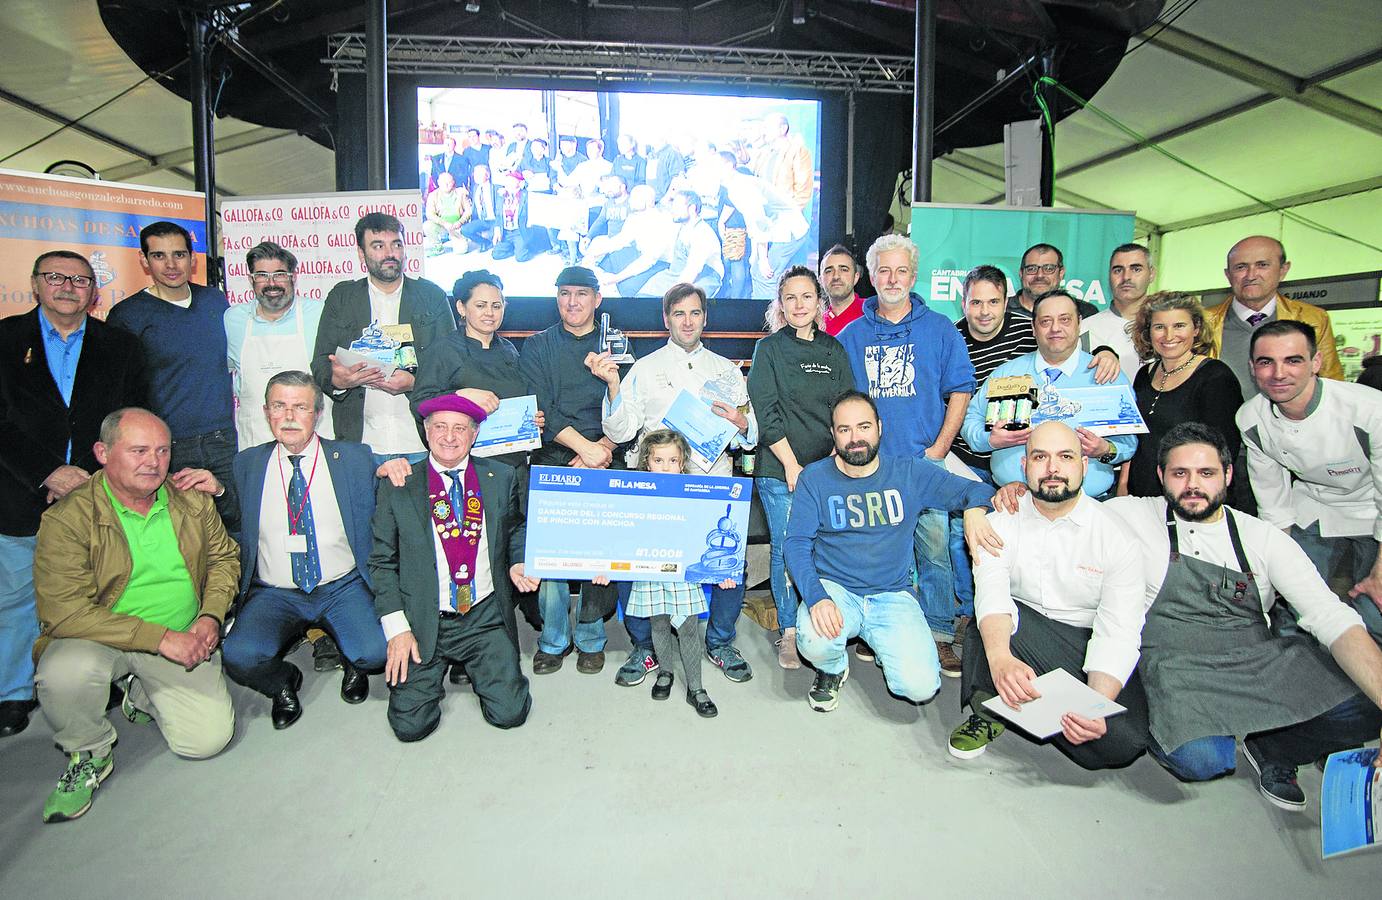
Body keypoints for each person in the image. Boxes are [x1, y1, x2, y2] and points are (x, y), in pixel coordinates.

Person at [1103, 422, 1382, 812]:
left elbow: (1329, 615)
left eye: (1206, 473)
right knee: (1202, 761)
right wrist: (1003, 499)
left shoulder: (1263, 538)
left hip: (1258, 663)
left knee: (1367, 705)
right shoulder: (1129, 515)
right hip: (1179, 668)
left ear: (1228, 475)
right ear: (1161, 476)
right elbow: (1064, 511)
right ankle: (1215, 728)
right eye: (1180, 474)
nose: (1192, 485)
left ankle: (1273, 746)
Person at [32, 408, 237, 822]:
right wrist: (161, 639)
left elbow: (224, 561)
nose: (154, 461)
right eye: (139, 450)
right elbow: (65, 612)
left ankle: (139, 690)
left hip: (183, 635)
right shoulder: (67, 519)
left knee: (207, 740)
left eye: (162, 450)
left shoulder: (191, 499)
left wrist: (210, 617)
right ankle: (88, 752)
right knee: (64, 673)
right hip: (101, 641)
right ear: (102, 453)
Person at [0, 251, 146, 738]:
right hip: (20, 490)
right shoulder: (3, 340)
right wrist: (48, 472)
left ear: (94, 291)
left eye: (80, 280)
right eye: (56, 277)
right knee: (18, 594)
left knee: (101, 585)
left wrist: (89, 476)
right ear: (36, 283)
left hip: (95, 488)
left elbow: (134, 418)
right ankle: (14, 692)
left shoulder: (121, 346)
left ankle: (101, 678)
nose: (68, 286)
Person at [947, 422, 1151, 769]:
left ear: (1083, 466)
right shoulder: (999, 523)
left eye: (1065, 457)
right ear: (1024, 467)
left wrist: (1095, 705)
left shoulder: (1118, 538)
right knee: (991, 623)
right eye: (1040, 457)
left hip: (1084, 642)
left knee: (1122, 744)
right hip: (1022, 632)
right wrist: (1000, 662)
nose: (1053, 468)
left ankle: (1022, 705)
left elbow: (1118, 631)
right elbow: (993, 595)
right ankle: (990, 702)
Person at [786, 391, 1000, 712]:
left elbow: (977, 488)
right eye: (844, 430)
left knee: (920, 687)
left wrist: (973, 510)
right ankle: (832, 668)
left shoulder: (909, 473)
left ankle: (884, 644)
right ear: (833, 434)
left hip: (892, 595)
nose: (855, 438)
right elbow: (796, 543)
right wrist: (816, 597)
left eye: (863, 427)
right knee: (814, 640)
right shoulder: (815, 478)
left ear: (880, 427)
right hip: (837, 590)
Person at [592, 282, 758, 684]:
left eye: (695, 313)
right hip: (658, 488)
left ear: (705, 318)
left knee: (728, 563)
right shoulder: (644, 369)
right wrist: (614, 386)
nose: (688, 321)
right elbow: (621, 428)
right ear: (666, 319)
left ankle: (718, 641)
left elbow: (749, 435)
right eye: (679, 313)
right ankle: (645, 647)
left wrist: (740, 423)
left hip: (712, 483)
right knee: (636, 563)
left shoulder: (727, 370)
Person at [835, 234, 976, 672]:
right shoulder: (851, 335)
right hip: (871, 468)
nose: (892, 279)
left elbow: (960, 390)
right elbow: (840, 400)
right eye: (883, 270)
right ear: (870, 277)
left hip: (922, 464)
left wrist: (939, 449)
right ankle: (877, 630)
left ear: (913, 276)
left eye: (901, 271)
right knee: (877, 552)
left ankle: (937, 633)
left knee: (933, 551)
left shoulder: (939, 330)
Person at [220, 372, 387, 729]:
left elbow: (392, 486)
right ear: (266, 412)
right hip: (275, 592)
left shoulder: (354, 458)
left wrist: (399, 467)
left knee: (376, 651)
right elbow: (236, 525)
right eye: (279, 406)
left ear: (318, 413)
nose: (290, 416)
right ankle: (283, 683)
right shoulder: (247, 464)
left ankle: (354, 662)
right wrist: (218, 494)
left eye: (300, 407)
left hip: (342, 585)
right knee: (238, 655)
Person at [370, 394, 533, 742]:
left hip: (483, 614)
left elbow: (516, 526)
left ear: (474, 435)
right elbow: (381, 563)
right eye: (440, 427)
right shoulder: (400, 484)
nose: (449, 436)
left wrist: (518, 559)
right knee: (410, 728)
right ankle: (434, 674)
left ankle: (478, 665)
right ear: (426, 431)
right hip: (424, 618)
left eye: (460, 428)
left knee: (510, 713)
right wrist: (397, 629)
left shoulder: (500, 476)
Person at [1236, 320, 1382, 638]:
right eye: (1266, 362)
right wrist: (1278, 570)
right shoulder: (1251, 419)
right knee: (1292, 612)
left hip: (1373, 511)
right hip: (1314, 508)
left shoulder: (1370, 410)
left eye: (1293, 360)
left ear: (1316, 363)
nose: (1278, 374)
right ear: (1252, 368)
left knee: (1375, 618)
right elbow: (1273, 501)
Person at [747, 267, 852, 669]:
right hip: (780, 470)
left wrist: (834, 463)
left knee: (823, 548)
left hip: (827, 469)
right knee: (788, 548)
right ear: (780, 304)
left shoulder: (833, 350)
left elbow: (845, 407)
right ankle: (789, 630)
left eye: (807, 296)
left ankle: (824, 622)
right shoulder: (769, 349)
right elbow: (766, 411)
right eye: (790, 298)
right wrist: (792, 465)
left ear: (819, 302)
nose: (799, 305)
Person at [106, 221, 239, 535]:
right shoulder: (128, 315)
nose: (170, 264)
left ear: (193, 259)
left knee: (237, 530)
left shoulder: (216, 303)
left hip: (225, 440)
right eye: (159, 256)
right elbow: (119, 393)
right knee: (179, 536)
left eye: (179, 254)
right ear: (144, 260)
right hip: (167, 447)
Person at [518, 267, 620, 675]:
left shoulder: (617, 343)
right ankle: (553, 638)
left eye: (581, 294)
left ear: (598, 298)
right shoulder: (538, 346)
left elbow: (628, 406)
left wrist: (604, 449)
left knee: (601, 555)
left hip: (605, 457)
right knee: (551, 556)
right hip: (554, 459)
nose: (572, 302)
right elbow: (541, 406)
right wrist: (584, 449)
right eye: (564, 294)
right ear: (556, 297)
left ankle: (592, 636)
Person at [961, 290, 1137, 498]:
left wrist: (1105, 449)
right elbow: (971, 420)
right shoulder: (1006, 373)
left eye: (1064, 319)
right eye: (1045, 321)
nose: (1055, 328)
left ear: (1078, 323)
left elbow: (1129, 443)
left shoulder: (1106, 375)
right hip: (1014, 503)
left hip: (1089, 505)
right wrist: (989, 439)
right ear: (1034, 328)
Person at [311, 213, 455, 467]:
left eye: (396, 244)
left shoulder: (431, 296)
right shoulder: (342, 298)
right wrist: (339, 381)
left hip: (422, 441)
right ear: (361, 253)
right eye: (378, 246)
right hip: (361, 443)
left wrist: (414, 383)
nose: (390, 253)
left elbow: (454, 366)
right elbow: (321, 364)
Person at [610, 430, 725, 717]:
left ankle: (696, 687)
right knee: (659, 624)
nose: (665, 466)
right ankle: (665, 673)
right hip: (650, 572)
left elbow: (709, 535)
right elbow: (622, 533)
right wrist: (605, 566)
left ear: (682, 462)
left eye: (672, 460)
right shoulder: (634, 494)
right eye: (659, 460)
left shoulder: (695, 492)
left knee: (688, 628)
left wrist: (723, 569)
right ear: (647, 462)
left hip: (682, 574)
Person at [1123, 293, 1242, 502]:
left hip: (1189, 499)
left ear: (1196, 329)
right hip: (1140, 498)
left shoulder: (1215, 376)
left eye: (1179, 326)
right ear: (1148, 332)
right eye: (1159, 327)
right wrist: (1123, 486)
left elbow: (1223, 453)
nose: (1169, 336)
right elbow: (1133, 437)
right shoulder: (1144, 375)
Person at [413, 270, 533, 469]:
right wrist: (461, 396)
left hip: (512, 465)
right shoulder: (443, 350)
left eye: (496, 306)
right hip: (465, 465)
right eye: (480, 305)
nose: (490, 313)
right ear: (461, 307)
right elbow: (420, 403)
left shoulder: (509, 350)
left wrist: (533, 418)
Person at [1204, 235, 1344, 399]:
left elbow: (1333, 385)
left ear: (1283, 270)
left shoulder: (1313, 319)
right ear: (1228, 275)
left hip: (1288, 423)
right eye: (1241, 267)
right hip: (1217, 423)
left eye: (1262, 265)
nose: (1251, 275)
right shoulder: (1201, 323)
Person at [225, 241, 332, 450]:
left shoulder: (320, 314)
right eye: (262, 275)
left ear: (294, 277)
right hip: (256, 441)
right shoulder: (233, 319)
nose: (271, 283)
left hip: (314, 441)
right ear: (250, 279)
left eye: (280, 274)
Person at [951, 265, 1038, 479]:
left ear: (1006, 303)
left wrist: (1104, 352)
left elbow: (1067, 352)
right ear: (964, 304)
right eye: (976, 302)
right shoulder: (949, 340)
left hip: (1019, 461)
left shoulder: (1032, 333)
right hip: (965, 461)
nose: (985, 312)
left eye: (993, 302)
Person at [1082, 243, 1155, 381]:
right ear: (1109, 276)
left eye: (1136, 269)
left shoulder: (1169, 329)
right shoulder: (1086, 328)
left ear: (1151, 274)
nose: (1126, 277)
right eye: (1118, 270)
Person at [640, 191, 724, 299]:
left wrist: (674, 295)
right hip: (676, 273)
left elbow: (692, 270)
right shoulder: (680, 227)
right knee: (645, 295)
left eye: (677, 206)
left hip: (704, 276)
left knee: (683, 303)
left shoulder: (702, 233)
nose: (672, 210)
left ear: (692, 209)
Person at [1005, 244, 1098, 322]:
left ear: (1061, 273)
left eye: (1049, 269)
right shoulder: (1001, 310)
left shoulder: (1085, 313)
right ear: (1021, 273)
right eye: (1032, 269)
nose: (1039, 275)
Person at [754, 113, 813, 212]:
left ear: (783, 129)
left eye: (768, 127)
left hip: (784, 216)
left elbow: (804, 188)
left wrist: (792, 213)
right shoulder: (764, 153)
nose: (764, 132)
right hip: (764, 213)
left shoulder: (797, 151)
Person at [422, 172, 472, 256]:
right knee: (427, 225)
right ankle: (438, 246)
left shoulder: (461, 193)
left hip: (457, 226)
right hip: (442, 225)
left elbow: (468, 211)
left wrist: (460, 222)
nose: (446, 184)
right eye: (443, 182)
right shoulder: (433, 195)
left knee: (462, 250)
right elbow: (430, 214)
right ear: (438, 182)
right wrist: (444, 223)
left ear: (453, 182)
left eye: (449, 182)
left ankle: (454, 238)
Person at [819, 243, 863, 336]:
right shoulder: (817, 324)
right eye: (829, 271)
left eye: (844, 269)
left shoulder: (872, 312)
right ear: (820, 280)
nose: (836, 276)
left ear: (856, 277)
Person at [459, 164, 500, 253]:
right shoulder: (475, 188)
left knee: (499, 247)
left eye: (479, 175)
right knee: (465, 230)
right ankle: (485, 242)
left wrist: (498, 225)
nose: (476, 177)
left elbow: (500, 209)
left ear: (487, 175)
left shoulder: (496, 188)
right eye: (475, 175)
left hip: (495, 220)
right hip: (483, 221)